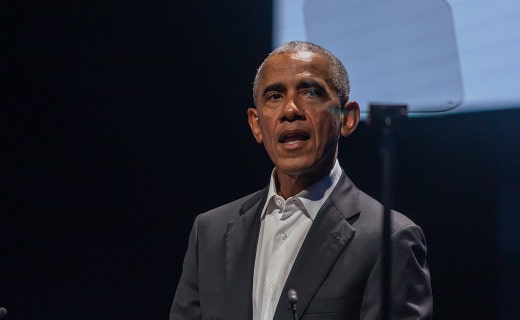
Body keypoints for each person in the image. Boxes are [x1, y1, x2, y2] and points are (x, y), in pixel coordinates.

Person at [169, 40, 433, 320]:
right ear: (256, 124)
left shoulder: (389, 239)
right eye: (274, 96)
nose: (290, 109)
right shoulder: (210, 233)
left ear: (347, 118)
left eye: (310, 92)